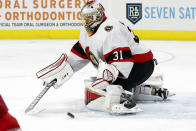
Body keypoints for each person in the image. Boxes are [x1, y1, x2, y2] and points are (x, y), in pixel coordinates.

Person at [36, 0, 173, 114]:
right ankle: (141, 90)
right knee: (97, 86)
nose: (85, 21)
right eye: (84, 18)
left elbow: (123, 62)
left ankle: (128, 97)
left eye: (89, 18)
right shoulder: (87, 31)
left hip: (140, 65)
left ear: (98, 16)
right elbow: (81, 53)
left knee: (104, 90)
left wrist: (109, 82)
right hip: (129, 65)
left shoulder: (110, 29)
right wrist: (63, 71)